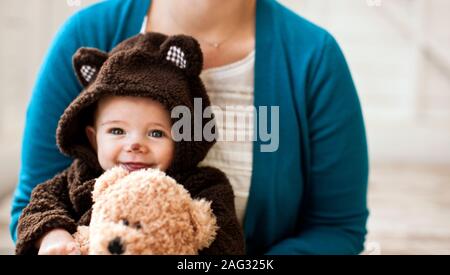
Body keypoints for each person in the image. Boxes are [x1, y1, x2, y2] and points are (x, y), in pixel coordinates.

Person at [11, 0, 369, 255]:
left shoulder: (313, 56)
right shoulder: (88, 33)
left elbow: (336, 228)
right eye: (117, 131)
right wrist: (58, 239)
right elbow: (34, 204)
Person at [14, 33, 245, 255]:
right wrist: (53, 234)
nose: (135, 144)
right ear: (94, 138)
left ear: (183, 140)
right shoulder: (76, 178)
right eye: (117, 131)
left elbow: (227, 243)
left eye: (156, 133)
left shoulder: (203, 186)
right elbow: (38, 206)